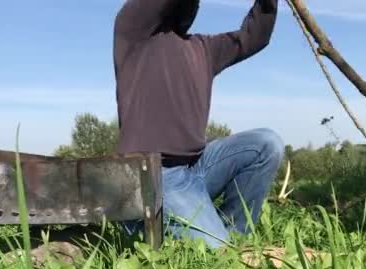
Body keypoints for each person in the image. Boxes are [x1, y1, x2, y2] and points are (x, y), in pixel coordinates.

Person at [113, 0, 284, 248]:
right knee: (218, 253)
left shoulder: (204, 47)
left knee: (267, 143)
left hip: (198, 165)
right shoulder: (134, 32)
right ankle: (153, 227)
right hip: (154, 174)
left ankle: (237, 234)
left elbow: (253, 37)